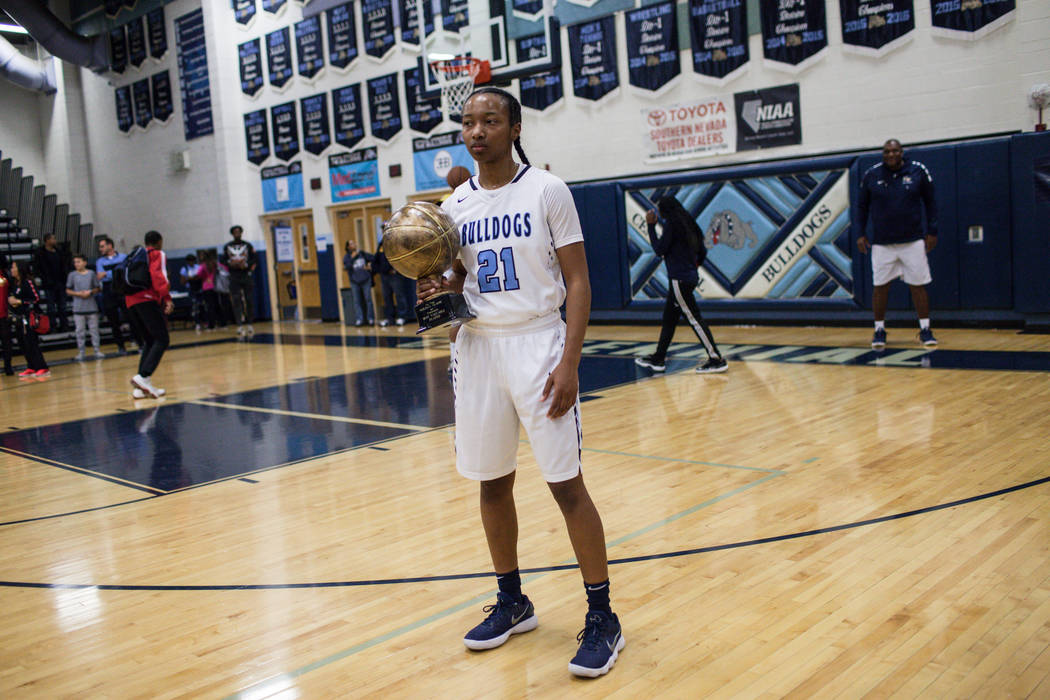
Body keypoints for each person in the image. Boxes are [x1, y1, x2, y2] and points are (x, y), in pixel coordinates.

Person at [419, 87, 623, 678]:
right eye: (468, 122)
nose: (476, 130)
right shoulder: (452, 206)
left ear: (514, 128)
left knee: (566, 486)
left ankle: (603, 615)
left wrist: (571, 363)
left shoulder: (547, 191)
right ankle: (513, 600)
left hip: (539, 344)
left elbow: (579, 282)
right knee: (491, 483)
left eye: (489, 120)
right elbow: (454, 288)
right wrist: (435, 297)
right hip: (479, 349)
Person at [856, 138, 939, 349]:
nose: (891, 155)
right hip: (883, 243)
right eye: (886, 152)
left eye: (894, 151)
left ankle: (925, 329)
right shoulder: (871, 175)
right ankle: (879, 329)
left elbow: (931, 203)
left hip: (912, 240)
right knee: (880, 287)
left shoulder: (918, 171)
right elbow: (862, 207)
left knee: (918, 285)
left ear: (901, 152)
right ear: (882, 154)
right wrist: (860, 233)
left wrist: (932, 231)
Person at [634, 196, 728, 374]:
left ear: (664, 211)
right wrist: (691, 267)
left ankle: (716, 358)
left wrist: (651, 226)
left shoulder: (672, 224)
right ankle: (659, 358)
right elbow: (703, 251)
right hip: (689, 277)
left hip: (679, 279)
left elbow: (659, 249)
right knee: (669, 319)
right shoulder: (689, 223)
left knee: (694, 319)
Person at [126, 230, 173, 399]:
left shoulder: (136, 255)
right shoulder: (156, 254)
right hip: (146, 299)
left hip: (130, 302)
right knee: (162, 339)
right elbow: (158, 277)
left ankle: (140, 387)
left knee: (150, 340)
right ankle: (143, 376)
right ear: (159, 241)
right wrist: (167, 298)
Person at [7, 259, 49, 378]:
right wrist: (11, 301)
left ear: (20, 269)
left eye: (14, 267)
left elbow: (36, 298)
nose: (12, 270)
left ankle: (42, 367)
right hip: (19, 318)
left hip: (29, 318)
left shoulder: (28, 282)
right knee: (23, 343)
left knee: (32, 342)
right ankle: (31, 366)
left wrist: (20, 301)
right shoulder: (15, 284)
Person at [96, 236, 136, 354]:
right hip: (109, 290)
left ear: (110, 246)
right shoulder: (99, 261)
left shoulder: (123, 257)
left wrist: (108, 273)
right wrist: (115, 272)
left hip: (122, 288)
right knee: (113, 321)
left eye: (102, 246)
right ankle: (120, 346)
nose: (100, 249)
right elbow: (99, 276)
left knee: (131, 316)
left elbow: (125, 273)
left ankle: (137, 341)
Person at [221, 225, 257, 338]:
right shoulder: (227, 246)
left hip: (245, 275)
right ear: (232, 234)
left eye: (239, 232)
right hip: (234, 276)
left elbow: (254, 259)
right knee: (236, 300)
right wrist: (231, 264)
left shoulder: (248, 245)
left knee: (249, 299)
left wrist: (246, 264)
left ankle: (250, 323)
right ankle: (239, 324)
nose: (237, 234)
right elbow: (223, 260)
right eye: (235, 232)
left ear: (241, 233)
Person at [66, 253, 103, 360]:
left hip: (91, 307)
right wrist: (78, 294)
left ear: (85, 262)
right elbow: (68, 290)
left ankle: (97, 350)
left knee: (94, 330)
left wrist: (90, 292)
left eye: (78, 261)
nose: (76, 264)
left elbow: (98, 288)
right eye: (75, 262)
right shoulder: (72, 275)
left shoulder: (91, 274)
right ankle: (81, 352)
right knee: (80, 331)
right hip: (78, 307)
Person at [35, 232, 70, 333]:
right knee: (51, 307)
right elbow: (38, 267)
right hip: (48, 283)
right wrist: (41, 278)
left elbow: (63, 265)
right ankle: (53, 326)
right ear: (47, 240)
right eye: (53, 239)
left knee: (62, 306)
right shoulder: (41, 253)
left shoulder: (58, 251)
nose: (55, 241)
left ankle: (64, 325)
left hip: (60, 282)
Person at [343, 239, 374, 326]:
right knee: (357, 301)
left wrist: (369, 265)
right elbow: (347, 266)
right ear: (348, 247)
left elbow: (373, 258)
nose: (354, 245)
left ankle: (370, 319)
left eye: (354, 243)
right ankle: (359, 319)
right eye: (351, 244)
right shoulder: (347, 257)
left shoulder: (362, 254)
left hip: (365, 280)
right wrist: (352, 258)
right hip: (354, 281)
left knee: (368, 299)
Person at [371, 239, 400, 327]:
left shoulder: (395, 242)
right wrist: (379, 270)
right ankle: (390, 318)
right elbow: (375, 261)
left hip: (394, 275)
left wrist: (396, 270)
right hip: (384, 276)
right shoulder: (381, 244)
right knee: (387, 297)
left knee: (399, 295)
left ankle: (402, 316)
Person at [179, 254, 203, 331]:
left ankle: (204, 322)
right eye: (190, 261)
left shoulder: (198, 267)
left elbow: (202, 277)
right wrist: (189, 279)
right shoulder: (184, 269)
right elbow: (182, 281)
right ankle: (197, 323)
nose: (191, 263)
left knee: (201, 305)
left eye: (193, 261)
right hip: (191, 289)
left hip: (199, 288)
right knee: (194, 306)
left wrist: (196, 278)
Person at [0, 254, 13, 375]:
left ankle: (8, 365)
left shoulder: (5, 275)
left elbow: (10, 292)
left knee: (6, 342)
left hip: (3, 315)